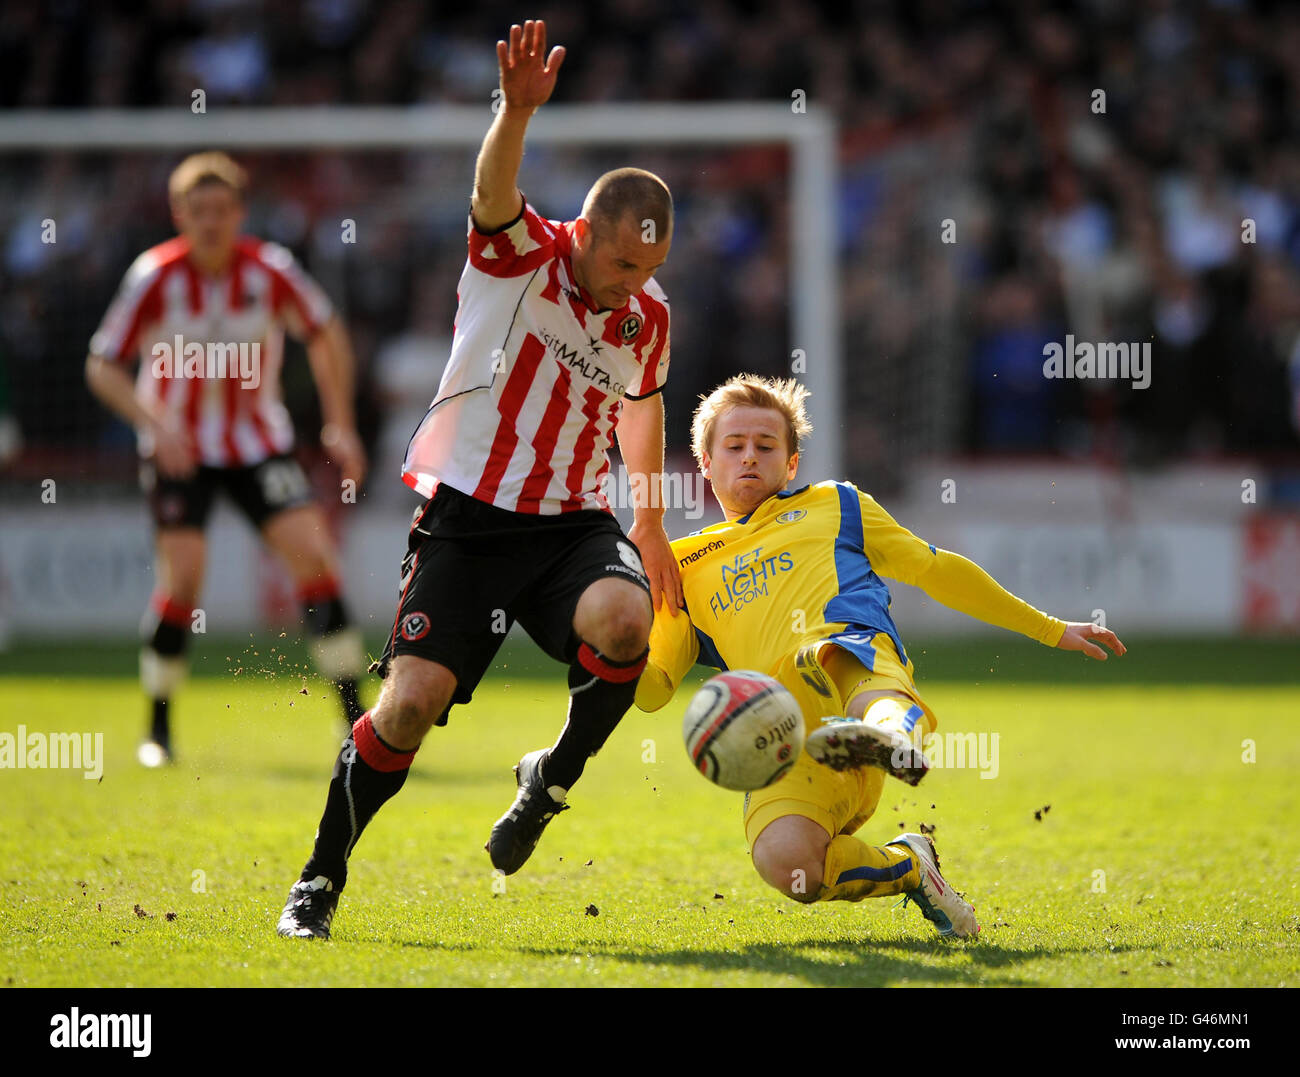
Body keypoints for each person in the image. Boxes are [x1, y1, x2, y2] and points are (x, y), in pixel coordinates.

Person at [278, 19, 681, 939]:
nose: (634, 283)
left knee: (626, 624)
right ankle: (319, 879)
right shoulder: (522, 253)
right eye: (623, 261)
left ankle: (549, 782)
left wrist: (649, 524)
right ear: (586, 232)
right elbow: (490, 188)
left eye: (651, 268)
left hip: (571, 522)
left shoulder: (647, 315)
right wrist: (515, 110)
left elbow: (643, 409)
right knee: (408, 704)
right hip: (467, 518)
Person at [635, 374, 1126, 937]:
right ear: (704, 461)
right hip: (783, 739)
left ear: (792, 463)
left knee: (837, 654)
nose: (751, 457)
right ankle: (912, 865)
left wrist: (1049, 628)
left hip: (855, 663)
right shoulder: (680, 566)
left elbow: (935, 569)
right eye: (735, 446)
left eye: (767, 446)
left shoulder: (837, 504)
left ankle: (892, 737)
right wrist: (609, 656)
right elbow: (654, 686)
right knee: (789, 865)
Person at [86, 151, 369, 767]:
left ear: (241, 212)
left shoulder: (270, 270)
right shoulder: (154, 276)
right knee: (183, 579)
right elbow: (103, 363)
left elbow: (326, 331)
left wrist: (339, 422)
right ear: (178, 214)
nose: (210, 222)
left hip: (255, 446)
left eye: (221, 209)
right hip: (178, 451)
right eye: (198, 210)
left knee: (315, 561)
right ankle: (157, 732)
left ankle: (358, 727)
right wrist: (153, 427)